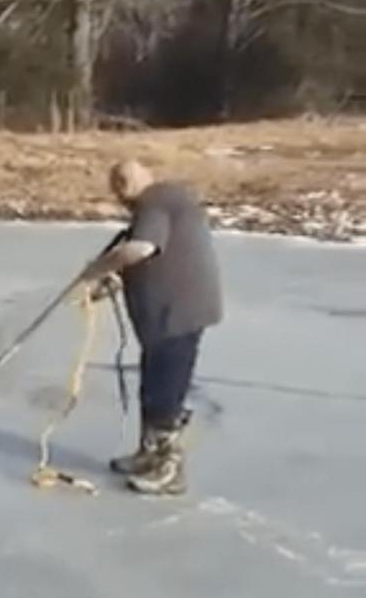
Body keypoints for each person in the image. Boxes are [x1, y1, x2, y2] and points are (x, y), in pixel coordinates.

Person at [79, 160, 223, 496]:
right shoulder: (163, 202)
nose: (119, 190)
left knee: (165, 390)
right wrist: (111, 281)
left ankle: (168, 471)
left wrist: (97, 270)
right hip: (167, 316)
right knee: (154, 384)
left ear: (137, 180)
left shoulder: (156, 200)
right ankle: (148, 455)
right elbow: (149, 256)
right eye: (115, 183)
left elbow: (140, 249)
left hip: (178, 315)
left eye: (122, 182)